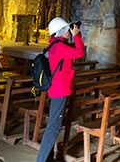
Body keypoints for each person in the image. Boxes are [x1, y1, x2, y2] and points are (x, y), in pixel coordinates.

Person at [36, 17, 85, 162]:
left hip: (60, 88)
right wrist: (76, 35)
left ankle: (48, 157)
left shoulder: (58, 44)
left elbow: (74, 51)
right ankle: (42, 159)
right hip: (60, 90)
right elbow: (79, 53)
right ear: (61, 32)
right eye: (66, 29)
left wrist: (77, 35)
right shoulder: (59, 47)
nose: (69, 31)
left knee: (54, 124)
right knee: (53, 126)